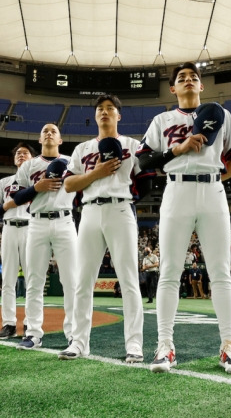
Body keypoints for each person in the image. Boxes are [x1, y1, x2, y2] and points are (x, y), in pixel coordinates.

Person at [136, 62, 231, 374]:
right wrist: (179, 149)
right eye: (181, 78)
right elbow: (144, 161)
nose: (188, 80)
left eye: (194, 77)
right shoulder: (162, 120)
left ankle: (229, 346)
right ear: (173, 88)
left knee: (221, 272)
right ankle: (165, 346)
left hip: (212, 190)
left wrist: (213, 180)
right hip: (176, 191)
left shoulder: (221, 115)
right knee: (170, 271)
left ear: (201, 87)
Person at [59, 94, 153, 363]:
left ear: (118, 116)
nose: (104, 112)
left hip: (121, 209)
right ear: (95, 115)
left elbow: (147, 180)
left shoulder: (132, 145)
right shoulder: (82, 149)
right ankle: (79, 342)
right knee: (83, 281)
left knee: (129, 280)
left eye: (110, 108)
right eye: (100, 109)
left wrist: (129, 199)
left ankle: (134, 345)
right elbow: (68, 185)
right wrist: (95, 174)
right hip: (89, 211)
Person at [10, 123, 78, 350]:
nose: (49, 133)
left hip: (65, 220)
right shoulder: (29, 165)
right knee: (34, 281)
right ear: (40, 140)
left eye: (54, 131)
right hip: (36, 222)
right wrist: (37, 188)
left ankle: (74, 334)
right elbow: (16, 197)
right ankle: (33, 333)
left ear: (60, 140)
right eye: (45, 131)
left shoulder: (72, 160)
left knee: (70, 281)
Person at [0, 142, 35, 338]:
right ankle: (9, 324)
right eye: (18, 153)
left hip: (31, 228)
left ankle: (30, 324)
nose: (21, 155)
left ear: (33, 158)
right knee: (8, 280)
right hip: (8, 229)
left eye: (25, 153)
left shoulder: (37, 180)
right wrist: (11, 203)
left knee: (33, 279)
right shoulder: (4, 182)